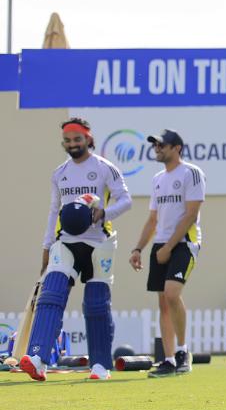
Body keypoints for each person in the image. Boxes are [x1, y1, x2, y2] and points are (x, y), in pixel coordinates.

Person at [19, 118, 132, 381]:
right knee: (51, 294)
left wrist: (103, 214)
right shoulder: (60, 173)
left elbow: (125, 200)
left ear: (88, 139)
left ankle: (100, 366)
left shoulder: (105, 168)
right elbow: (53, 211)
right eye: (68, 141)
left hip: (99, 242)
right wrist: (46, 246)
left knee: (96, 304)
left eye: (77, 139)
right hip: (66, 241)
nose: (72, 144)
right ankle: (37, 358)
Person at [130, 129, 206, 378]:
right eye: (155, 146)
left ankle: (184, 352)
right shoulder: (157, 179)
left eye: (162, 145)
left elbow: (190, 215)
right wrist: (138, 248)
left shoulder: (191, 173)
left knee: (172, 294)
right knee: (163, 302)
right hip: (160, 244)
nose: (158, 149)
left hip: (184, 243)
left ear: (177, 148)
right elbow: (153, 218)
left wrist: (168, 248)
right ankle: (169, 359)